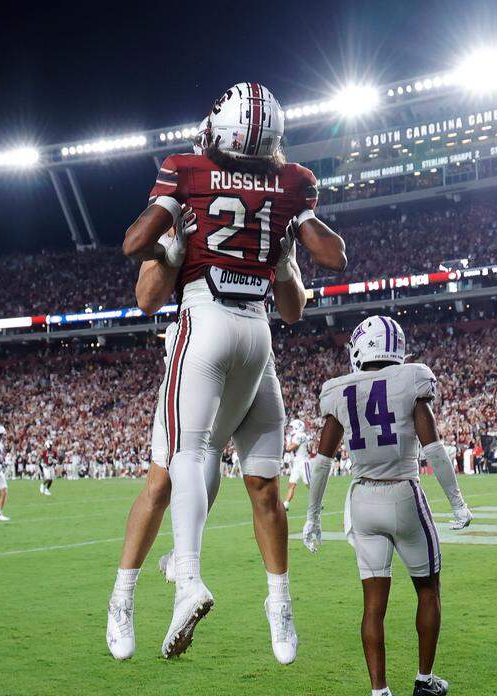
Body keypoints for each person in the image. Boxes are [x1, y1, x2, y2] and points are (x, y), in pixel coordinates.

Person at [120, 81, 347, 662]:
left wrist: (170, 244)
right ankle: (280, 608)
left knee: (186, 457)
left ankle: (183, 577)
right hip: (258, 336)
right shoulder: (291, 184)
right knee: (262, 485)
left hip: (203, 326)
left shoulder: (187, 172)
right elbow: (322, 273)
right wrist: (293, 236)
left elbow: (134, 249)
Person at [300, 316, 474, 696]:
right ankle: (425, 679)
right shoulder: (411, 379)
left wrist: (312, 516)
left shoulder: (340, 391)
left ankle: (379, 693)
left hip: (362, 498)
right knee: (428, 589)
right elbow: (434, 450)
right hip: (403, 492)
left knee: (373, 604)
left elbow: (322, 462)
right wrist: (457, 502)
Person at [283, 419, 312, 512]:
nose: (291, 429)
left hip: (304, 462)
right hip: (297, 463)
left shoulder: (301, 435)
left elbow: (289, 448)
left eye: (292, 427)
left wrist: (288, 440)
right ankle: (286, 504)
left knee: (309, 484)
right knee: (292, 484)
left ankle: (319, 502)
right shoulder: (297, 436)